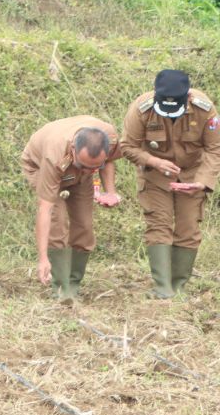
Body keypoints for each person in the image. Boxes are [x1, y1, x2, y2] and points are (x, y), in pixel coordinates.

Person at [121, 70, 220, 298]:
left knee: (188, 228)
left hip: (192, 175)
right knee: (159, 225)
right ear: (156, 95)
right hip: (155, 177)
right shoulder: (142, 109)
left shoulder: (205, 109)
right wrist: (154, 161)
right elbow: (127, 146)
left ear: (187, 98)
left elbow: (215, 148)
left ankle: (179, 286)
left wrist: (203, 182)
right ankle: (162, 288)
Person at [20, 116, 121, 300]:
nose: (89, 171)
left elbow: (110, 162)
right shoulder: (54, 153)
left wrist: (110, 192)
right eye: (84, 165)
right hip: (41, 166)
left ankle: (73, 285)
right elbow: (45, 210)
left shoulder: (110, 137)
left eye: (95, 167)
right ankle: (60, 288)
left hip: (76, 171)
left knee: (84, 225)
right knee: (57, 222)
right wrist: (42, 258)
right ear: (74, 149)